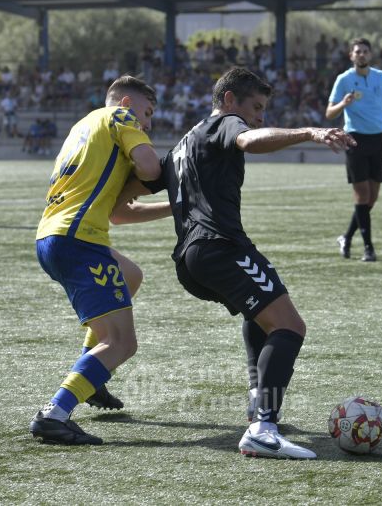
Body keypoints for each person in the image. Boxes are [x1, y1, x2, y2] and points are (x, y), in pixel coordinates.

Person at [121, 67, 354, 459]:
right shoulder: (225, 124)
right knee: (290, 326)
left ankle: (256, 398)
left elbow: (122, 201)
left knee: (259, 314)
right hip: (220, 248)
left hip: (190, 261)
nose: (261, 116)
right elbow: (247, 139)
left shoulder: (182, 144)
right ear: (229, 101)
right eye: (257, 107)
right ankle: (263, 426)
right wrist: (310, 133)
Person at [29, 76, 171, 446]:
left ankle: (92, 379)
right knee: (123, 343)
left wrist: (175, 207)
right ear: (125, 103)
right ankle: (55, 412)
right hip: (79, 241)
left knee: (131, 275)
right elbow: (152, 168)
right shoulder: (120, 119)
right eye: (147, 113)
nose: (148, 123)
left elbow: (119, 215)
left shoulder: (84, 125)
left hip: (51, 236)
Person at [325, 38, 382, 262]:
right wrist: (343, 104)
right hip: (354, 139)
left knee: (372, 197)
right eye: (357, 52)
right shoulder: (344, 79)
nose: (361, 54)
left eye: (365, 51)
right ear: (351, 56)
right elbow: (329, 113)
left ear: (370, 55)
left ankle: (346, 237)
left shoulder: (381, 77)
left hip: (379, 140)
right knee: (362, 194)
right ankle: (368, 248)